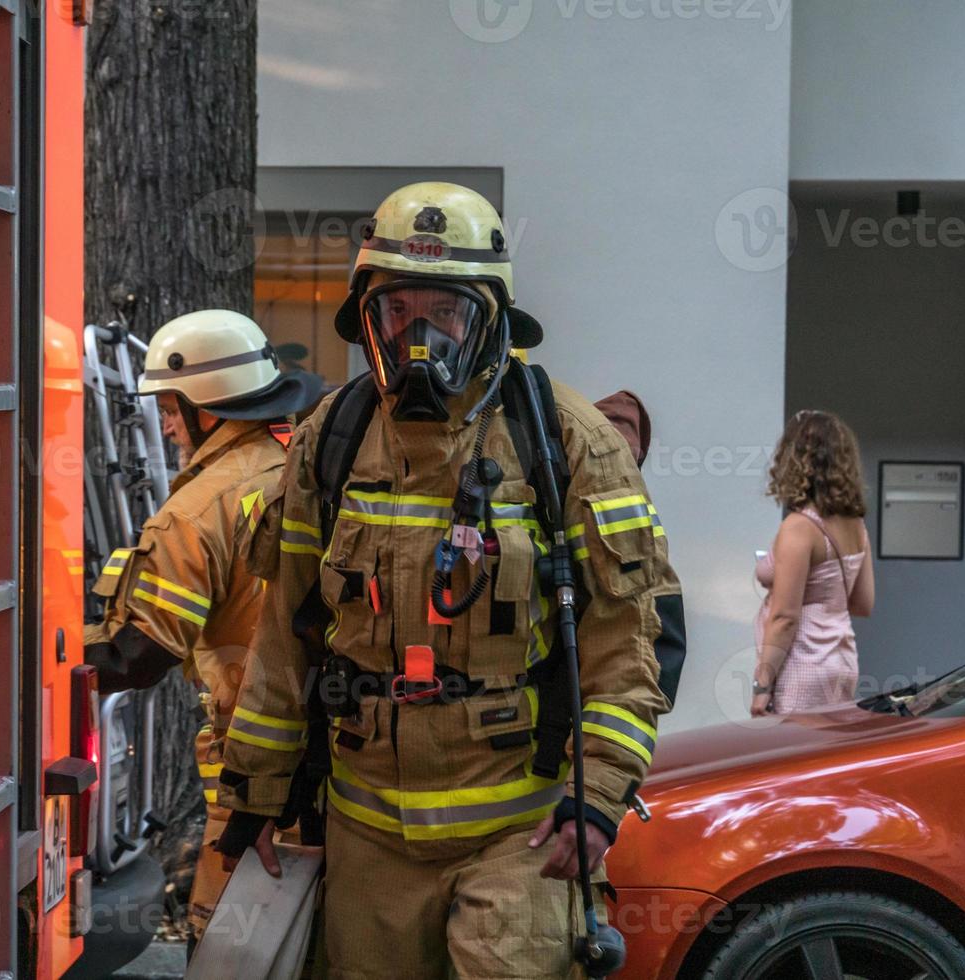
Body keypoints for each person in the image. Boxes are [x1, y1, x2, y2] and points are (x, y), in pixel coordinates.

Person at [213, 182, 686, 979]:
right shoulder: (332, 440)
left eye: (447, 313)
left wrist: (597, 795)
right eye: (399, 314)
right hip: (367, 834)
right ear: (369, 321)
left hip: (522, 835)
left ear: (490, 321)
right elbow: (287, 631)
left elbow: (624, 644)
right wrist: (257, 789)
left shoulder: (570, 443)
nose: (420, 337)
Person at [83, 309, 322, 939]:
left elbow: (137, 657)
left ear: (206, 406)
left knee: (231, 947)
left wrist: (29, 660)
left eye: (169, 406)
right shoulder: (304, 461)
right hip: (340, 768)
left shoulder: (196, 512)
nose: (164, 424)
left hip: (254, 783)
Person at [752, 410, 876, 716]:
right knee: (829, 756)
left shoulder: (799, 527)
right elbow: (863, 604)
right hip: (842, 661)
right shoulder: (856, 526)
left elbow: (785, 617)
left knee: (791, 758)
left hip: (803, 665)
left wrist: (762, 685)